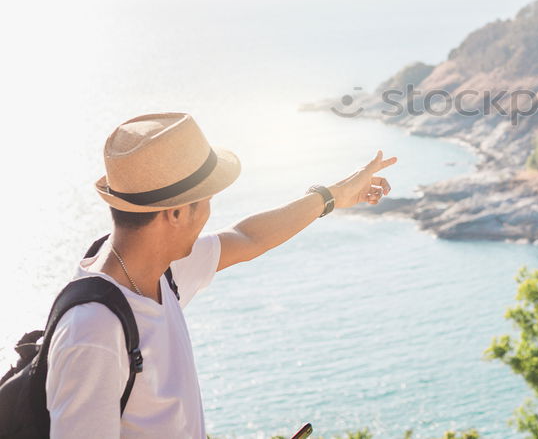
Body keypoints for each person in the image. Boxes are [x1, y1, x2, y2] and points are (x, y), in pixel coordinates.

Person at [44, 112, 397, 438]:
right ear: (178, 213)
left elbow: (249, 238)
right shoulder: (93, 333)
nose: (211, 212)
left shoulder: (159, 272)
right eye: (208, 199)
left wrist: (332, 196)